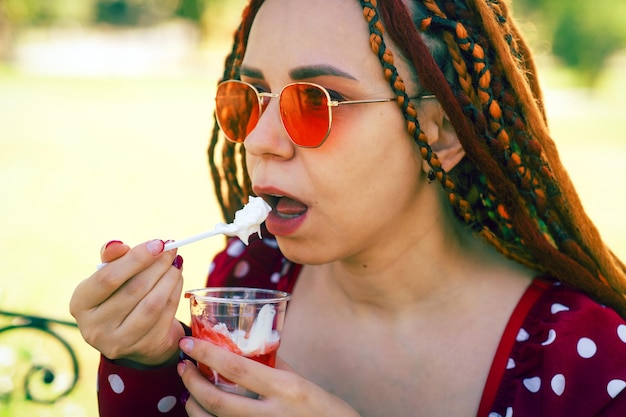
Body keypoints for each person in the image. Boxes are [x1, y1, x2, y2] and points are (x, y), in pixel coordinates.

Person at [69, 0, 626, 415]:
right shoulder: (251, 286)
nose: (261, 140)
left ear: (440, 131)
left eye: (318, 101)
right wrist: (146, 363)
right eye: (248, 97)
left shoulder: (585, 363)